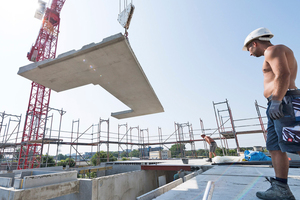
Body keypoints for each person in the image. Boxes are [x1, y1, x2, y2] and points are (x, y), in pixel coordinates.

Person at [243, 27, 300, 200]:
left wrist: (276, 101)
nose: (250, 54)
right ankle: (281, 189)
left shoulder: (273, 50)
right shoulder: (273, 52)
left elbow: (283, 74)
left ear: (255, 43)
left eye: (249, 49)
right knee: (274, 147)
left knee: (296, 145)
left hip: (283, 101)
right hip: (276, 103)